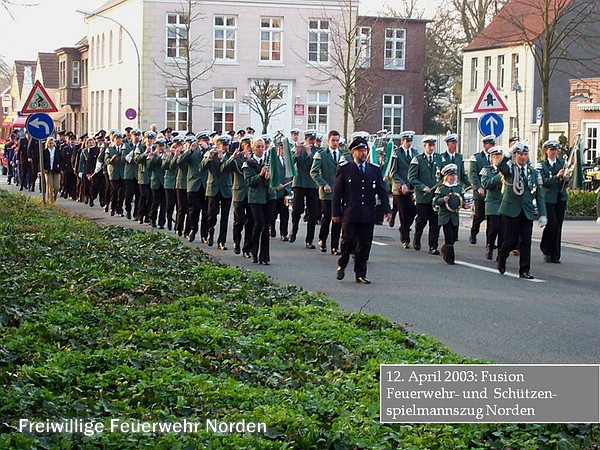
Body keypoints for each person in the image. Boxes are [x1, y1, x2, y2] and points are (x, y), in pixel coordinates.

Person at [332, 136, 392, 284]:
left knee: (365, 245)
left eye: (365, 150)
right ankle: (342, 263)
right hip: (350, 213)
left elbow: (382, 191)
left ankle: (360, 273)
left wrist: (387, 210)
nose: (363, 153)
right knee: (348, 242)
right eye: (360, 150)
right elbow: (337, 193)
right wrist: (335, 212)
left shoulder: (374, 170)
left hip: (368, 214)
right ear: (353, 152)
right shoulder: (345, 169)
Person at [495, 142, 547, 279]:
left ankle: (524, 270)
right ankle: (502, 255)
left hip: (527, 211)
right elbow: (500, 165)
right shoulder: (510, 169)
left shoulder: (533, 173)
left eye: (525, 154)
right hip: (510, 210)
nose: (523, 157)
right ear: (515, 155)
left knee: (526, 241)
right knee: (511, 241)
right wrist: (508, 152)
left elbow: (539, 194)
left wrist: (543, 214)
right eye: (520, 154)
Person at [310, 130, 349, 255]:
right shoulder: (321, 154)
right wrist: (323, 184)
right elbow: (314, 172)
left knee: (338, 219)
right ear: (328, 141)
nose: (335, 143)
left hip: (340, 192)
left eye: (337, 140)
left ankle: (334, 246)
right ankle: (322, 239)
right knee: (327, 217)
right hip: (327, 192)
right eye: (333, 140)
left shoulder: (345, 155)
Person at [243, 137, 280, 265]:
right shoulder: (248, 163)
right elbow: (248, 182)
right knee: (259, 224)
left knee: (266, 226)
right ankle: (253, 249)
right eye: (257, 147)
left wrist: (273, 180)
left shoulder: (269, 161)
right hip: (256, 198)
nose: (260, 149)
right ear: (253, 148)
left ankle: (264, 257)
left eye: (262, 146)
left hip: (270, 196)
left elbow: (276, 177)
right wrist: (260, 176)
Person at [408, 135, 443, 254]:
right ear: (424, 146)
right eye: (429, 145)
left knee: (435, 222)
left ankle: (433, 246)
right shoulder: (417, 159)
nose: (432, 147)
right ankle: (417, 239)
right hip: (423, 196)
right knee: (421, 220)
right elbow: (411, 178)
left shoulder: (439, 159)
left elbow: (443, 176)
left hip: (436, 196)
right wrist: (423, 187)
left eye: (433, 145)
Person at [537, 139, 569, 263]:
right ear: (546, 151)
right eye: (551, 150)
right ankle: (546, 248)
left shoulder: (562, 163)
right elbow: (544, 182)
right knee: (552, 224)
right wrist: (557, 177)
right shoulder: (542, 165)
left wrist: (566, 178)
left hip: (560, 197)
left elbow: (567, 181)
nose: (553, 152)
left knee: (558, 225)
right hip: (548, 198)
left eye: (555, 150)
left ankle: (555, 254)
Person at [201, 135, 234, 249]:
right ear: (218, 145)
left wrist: (224, 160)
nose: (225, 147)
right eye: (223, 145)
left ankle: (222, 241)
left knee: (225, 217)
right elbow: (201, 168)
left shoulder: (230, 156)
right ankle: (210, 234)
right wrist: (209, 157)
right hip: (213, 188)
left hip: (226, 188)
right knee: (211, 214)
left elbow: (230, 169)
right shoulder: (211, 154)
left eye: (227, 145)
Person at [290, 130, 320, 248]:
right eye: (310, 139)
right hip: (299, 182)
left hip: (312, 184)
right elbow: (290, 164)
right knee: (297, 209)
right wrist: (296, 153)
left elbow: (316, 166)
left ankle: (309, 239)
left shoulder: (317, 151)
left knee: (313, 212)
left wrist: (309, 154)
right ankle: (294, 230)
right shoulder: (298, 148)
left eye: (313, 139)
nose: (311, 141)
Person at [433, 164, 468, 264]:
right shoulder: (441, 188)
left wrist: (464, 205)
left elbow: (462, 200)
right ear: (446, 177)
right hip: (445, 216)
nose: (453, 177)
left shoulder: (459, 188)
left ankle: (445, 248)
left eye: (454, 175)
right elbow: (435, 201)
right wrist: (443, 199)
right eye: (450, 175)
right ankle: (450, 258)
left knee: (454, 236)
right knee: (449, 236)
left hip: (454, 216)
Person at [225, 135, 254, 256]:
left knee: (250, 222)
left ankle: (247, 248)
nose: (248, 148)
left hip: (252, 193)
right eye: (246, 145)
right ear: (242, 146)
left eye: (249, 145)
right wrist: (232, 158)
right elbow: (224, 168)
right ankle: (236, 242)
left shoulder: (255, 159)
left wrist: (250, 160)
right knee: (239, 220)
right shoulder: (237, 158)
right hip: (239, 192)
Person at [389, 130, 418, 249]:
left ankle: (404, 227)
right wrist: (402, 184)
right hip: (400, 189)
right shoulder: (396, 153)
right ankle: (405, 238)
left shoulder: (415, 153)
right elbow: (392, 172)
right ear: (402, 141)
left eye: (410, 140)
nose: (409, 143)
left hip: (412, 188)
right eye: (407, 141)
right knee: (404, 213)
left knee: (413, 211)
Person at [469, 134, 496, 245]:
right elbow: (473, 174)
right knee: (479, 215)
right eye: (490, 144)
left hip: (491, 192)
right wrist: (478, 187)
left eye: (493, 144)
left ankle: (489, 241)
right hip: (480, 192)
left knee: (491, 218)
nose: (492, 146)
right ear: (485, 145)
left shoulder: (495, 157)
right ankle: (473, 233)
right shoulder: (476, 157)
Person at [479, 146, 504, 260]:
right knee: (494, 226)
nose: (498, 159)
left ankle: (501, 252)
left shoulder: (506, 169)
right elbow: (486, 184)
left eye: (500, 157)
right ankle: (490, 245)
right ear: (492, 158)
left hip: (504, 201)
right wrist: (498, 177)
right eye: (496, 157)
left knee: (503, 228)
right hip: (492, 202)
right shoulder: (487, 170)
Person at [270, 141, 291, 241]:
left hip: (285, 191)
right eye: (282, 149)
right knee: (273, 212)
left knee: (284, 214)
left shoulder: (289, 161)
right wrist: (275, 184)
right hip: (276, 191)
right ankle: (272, 228)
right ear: (278, 149)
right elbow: (271, 174)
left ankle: (284, 233)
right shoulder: (273, 160)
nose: (283, 151)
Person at [105, 131, 127, 217]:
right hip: (113, 173)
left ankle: (120, 209)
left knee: (122, 193)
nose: (118, 140)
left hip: (123, 173)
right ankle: (112, 208)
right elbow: (106, 160)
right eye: (116, 139)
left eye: (120, 139)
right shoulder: (109, 149)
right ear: (113, 140)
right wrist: (112, 159)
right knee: (114, 191)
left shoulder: (124, 149)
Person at [42, 137, 63, 203]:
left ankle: (54, 197)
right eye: (49, 143)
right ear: (47, 144)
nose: (50, 145)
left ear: (54, 143)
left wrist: (61, 169)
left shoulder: (58, 151)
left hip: (56, 170)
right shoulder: (44, 151)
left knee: (57, 187)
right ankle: (50, 201)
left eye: (52, 143)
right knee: (49, 186)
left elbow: (61, 160)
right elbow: (42, 161)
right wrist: (42, 169)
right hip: (48, 171)